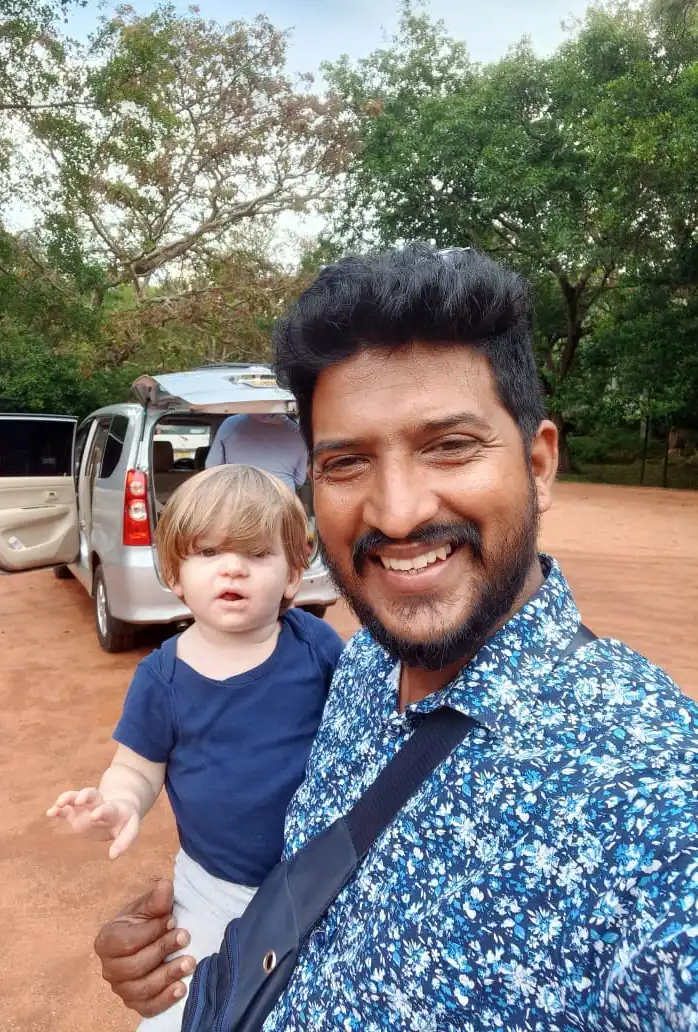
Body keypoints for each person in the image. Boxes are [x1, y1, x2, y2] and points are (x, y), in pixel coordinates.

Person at [94, 245, 698, 1030]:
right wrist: (200, 979)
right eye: (346, 462)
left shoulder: (648, 797)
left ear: (539, 464)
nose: (400, 512)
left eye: (449, 446)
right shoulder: (358, 668)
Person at [47, 464, 343, 1031]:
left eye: (257, 553)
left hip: (318, 880)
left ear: (292, 575)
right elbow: (137, 768)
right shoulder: (162, 678)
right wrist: (119, 803)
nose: (233, 567)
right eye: (208, 552)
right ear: (175, 574)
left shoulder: (316, 645)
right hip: (214, 889)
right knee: (183, 1010)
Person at [204, 413, 308, 492]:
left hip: (239, 500)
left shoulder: (230, 424)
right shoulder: (299, 432)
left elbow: (211, 468)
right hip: (283, 501)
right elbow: (299, 480)